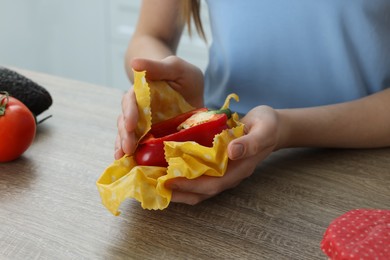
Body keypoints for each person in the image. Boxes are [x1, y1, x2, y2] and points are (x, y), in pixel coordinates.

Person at [115, 0, 390, 205]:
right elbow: (150, 36)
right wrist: (165, 84)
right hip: (217, 157)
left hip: (364, 169)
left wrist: (287, 128)